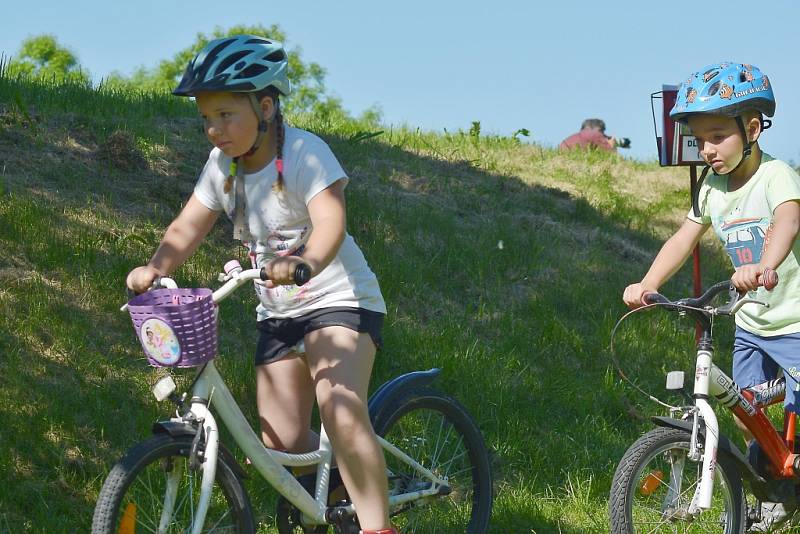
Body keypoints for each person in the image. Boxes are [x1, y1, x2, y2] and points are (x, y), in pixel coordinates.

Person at [126, 35, 396, 533]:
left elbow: (330, 221)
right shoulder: (221, 168)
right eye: (206, 117)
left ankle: (379, 527)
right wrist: (156, 267)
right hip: (278, 311)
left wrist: (306, 261)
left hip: (338, 300)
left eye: (226, 114)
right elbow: (189, 226)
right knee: (282, 446)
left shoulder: (304, 154)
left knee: (339, 406)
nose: (214, 128)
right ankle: (338, 501)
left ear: (265, 106)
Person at [622, 61, 800, 530]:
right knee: (743, 412)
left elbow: (787, 221)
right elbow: (683, 238)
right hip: (752, 324)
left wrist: (765, 265)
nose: (707, 149)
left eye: (718, 135)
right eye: (700, 138)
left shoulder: (776, 176)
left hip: (797, 321)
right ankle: (778, 489)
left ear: (753, 127)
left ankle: (787, 481)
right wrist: (649, 283)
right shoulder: (711, 190)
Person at [559, 118, 627, 152]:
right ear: (599, 129)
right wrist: (612, 146)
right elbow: (612, 158)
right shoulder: (596, 135)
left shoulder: (568, 139)